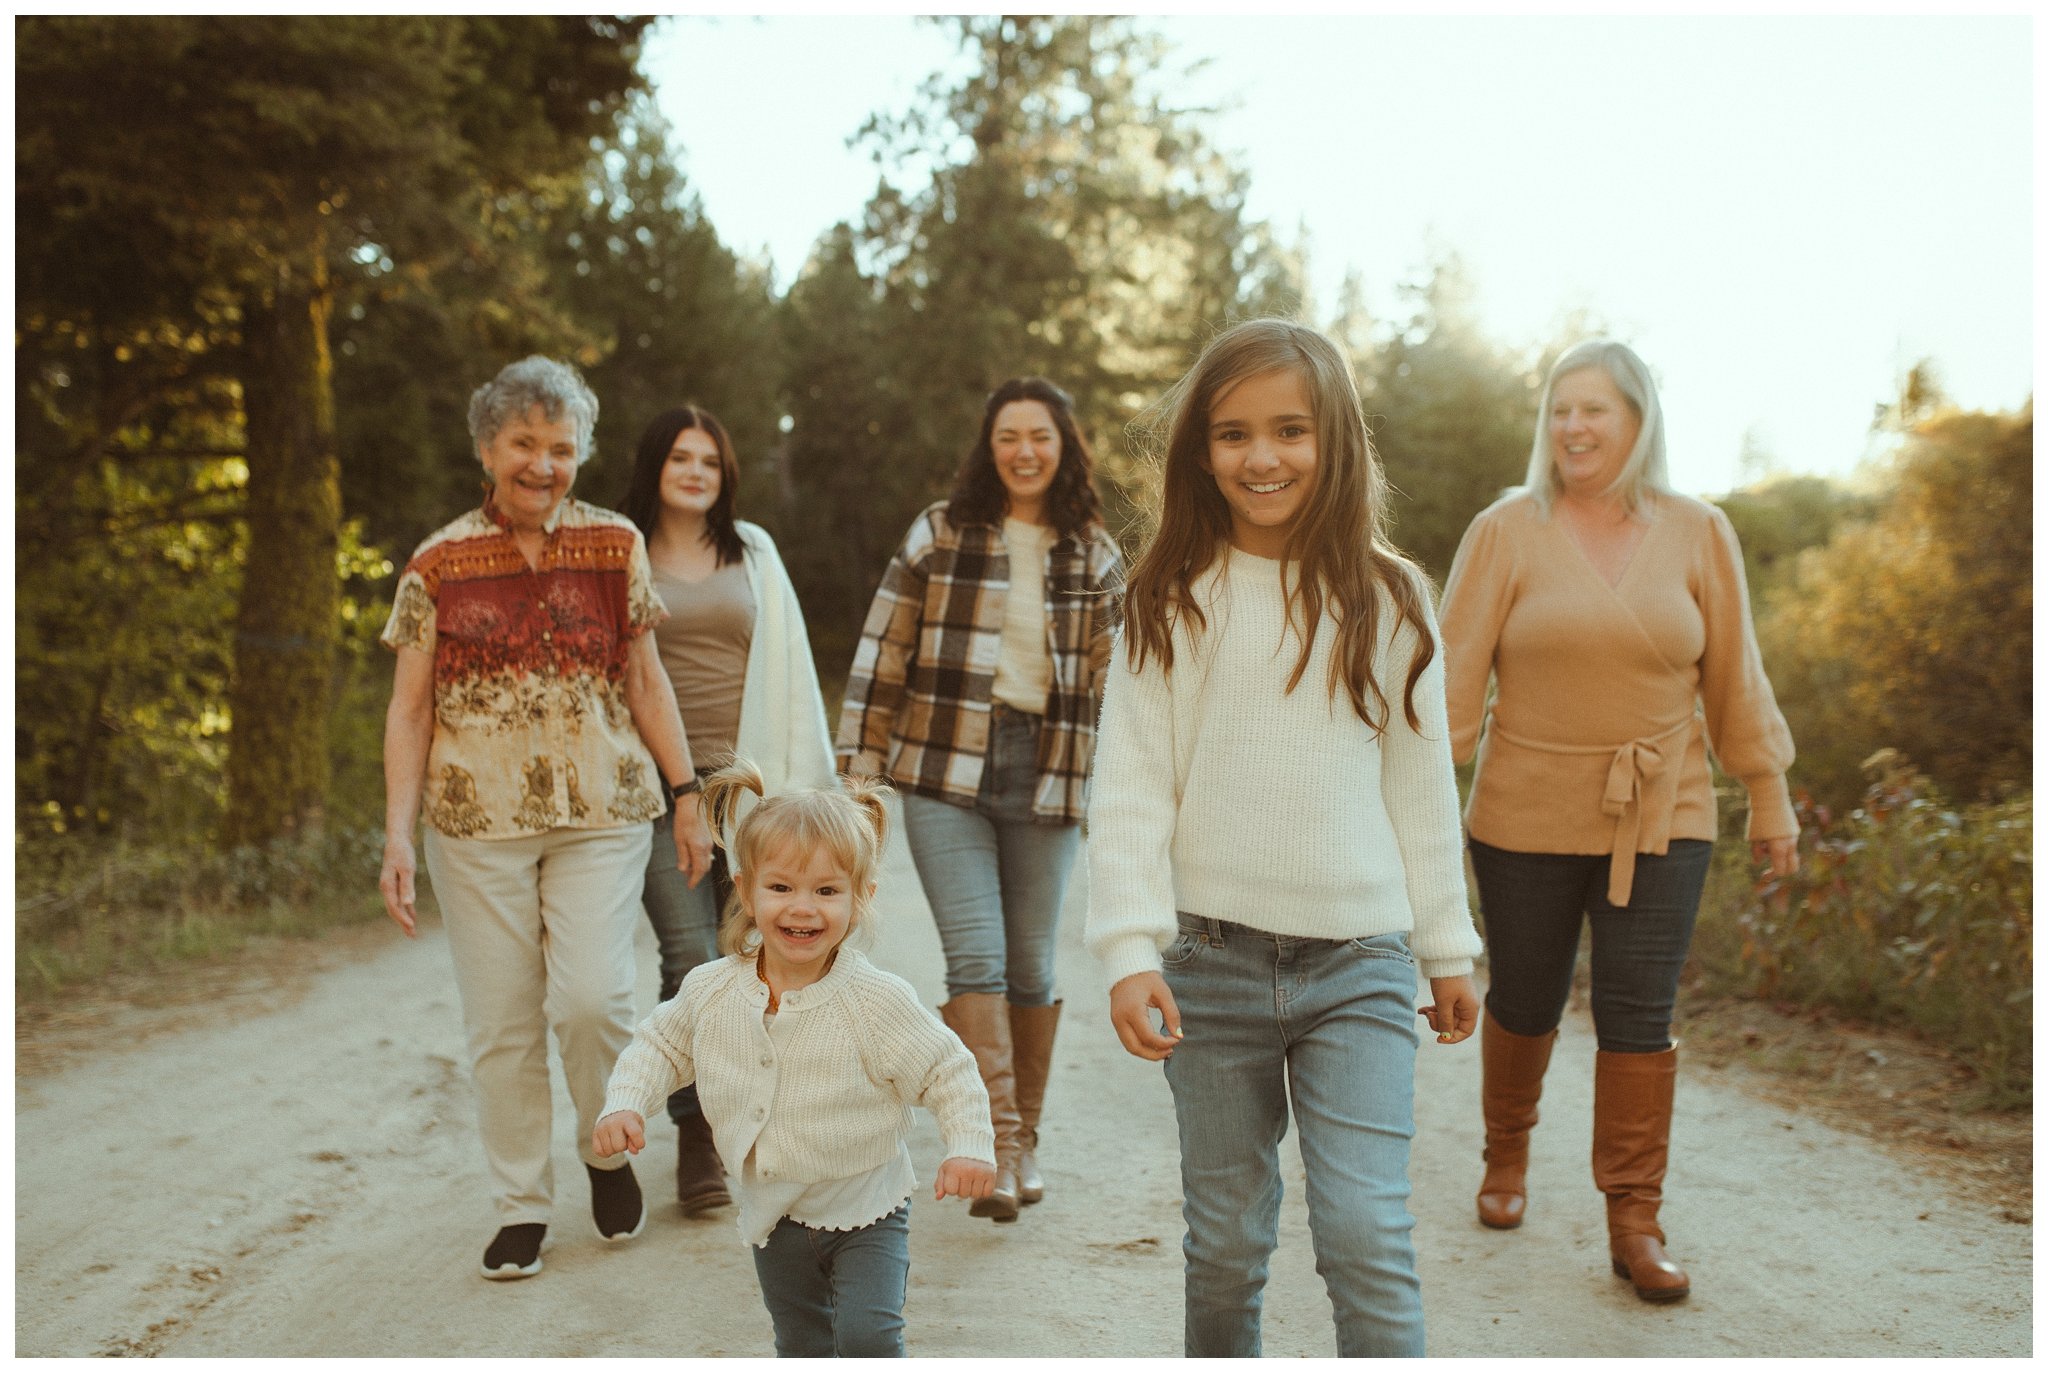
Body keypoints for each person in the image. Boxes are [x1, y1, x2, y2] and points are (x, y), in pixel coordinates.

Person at [1084, 319, 1482, 1358]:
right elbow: (1129, 788)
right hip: (1208, 969)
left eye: (1290, 430)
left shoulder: (1390, 600)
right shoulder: (1164, 601)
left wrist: (1445, 947)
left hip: (1359, 965)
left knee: (1363, 1232)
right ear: (1199, 451)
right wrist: (1128, 950)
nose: (1261, 457)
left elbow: (1418, 790)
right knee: (1224, 1240)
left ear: (1335, 439)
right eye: (1232, 434)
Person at [1438, 338, 1800, 1303]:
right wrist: (1415, 806)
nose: (1573, 427)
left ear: (1639, 421)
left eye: (1594, 409)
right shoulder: (1506, 530)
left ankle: (1634, 1219)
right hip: (1523, 809)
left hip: (1664, 808)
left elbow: (1735, 677)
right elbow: (1451, 686)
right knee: (1525, 996)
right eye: (1559, 409)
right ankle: (1505, 1154)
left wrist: (1767, 791)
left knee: (1641, 1013)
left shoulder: (1699, 531)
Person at [378, 356, 717, 1281]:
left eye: (561, 447)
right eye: (524, 443)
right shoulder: (438, 562)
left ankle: (606, 1149)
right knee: (501, 1022)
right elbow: (409, 708)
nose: (542, 463)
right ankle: (521, 1205)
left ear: (582, 455)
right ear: (488, 447)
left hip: (603, 809)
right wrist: (398, 834)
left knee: (592, 1000)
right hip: (472, 821)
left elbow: (646, 679)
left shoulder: (614, 544)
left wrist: (688, 797)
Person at [836, 377, 1123, 1223]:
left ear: (1064, 445)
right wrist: (860, 770)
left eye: (1040, 435)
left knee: (1032, 965)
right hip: (942, 770)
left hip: (1049, 770)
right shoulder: (940, 531)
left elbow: (1127, 681)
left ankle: (1024, 1138)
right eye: (1008, 436)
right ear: (988, 446)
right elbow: (883, 649)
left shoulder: (1094, 553)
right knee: (978, 959)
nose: (1024, 450)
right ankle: (996, 1144)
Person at [593, 763, 997, 1358]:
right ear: (744, 887)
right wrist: (625, 1103)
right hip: (772, 1213)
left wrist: (970, 1144)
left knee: (868, 1337)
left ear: (861, 898)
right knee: (802, 1342)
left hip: (868, 1209)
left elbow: (946, 1070)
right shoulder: (713, 991)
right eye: (780, 888)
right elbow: (660, 1045)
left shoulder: (874, 1000)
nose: (802, 908)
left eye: (827, 891)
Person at [617, 404, 836, 1218]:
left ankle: (773, 1126)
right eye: (681, 456)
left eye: (710, 458)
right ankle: (698, 1143)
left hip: (745, 783)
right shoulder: (623, 549)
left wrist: (804, 787)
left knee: (763, 955)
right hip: (650, 787)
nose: (697, 471)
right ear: (655, 465)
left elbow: (792, 667)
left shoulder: (755, 552)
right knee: (691, 957)